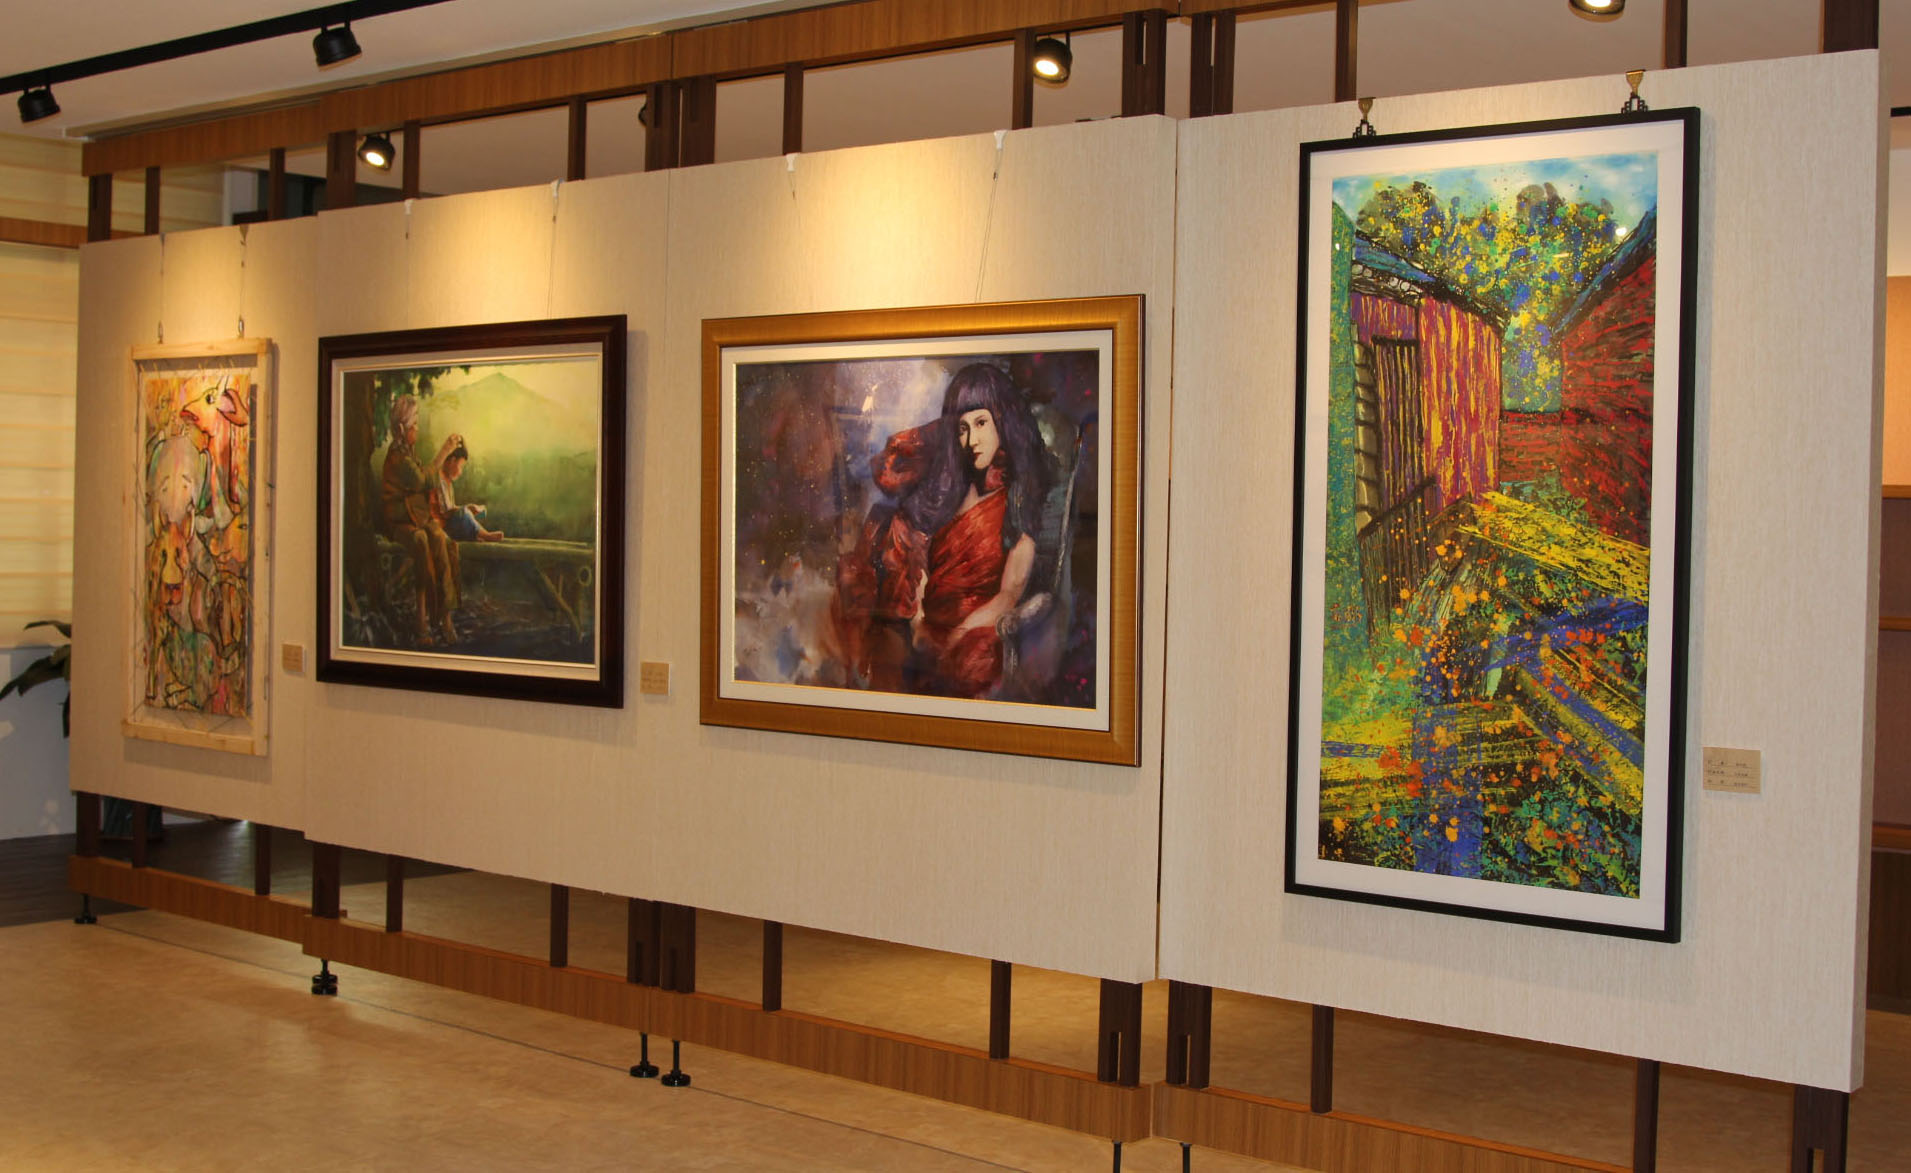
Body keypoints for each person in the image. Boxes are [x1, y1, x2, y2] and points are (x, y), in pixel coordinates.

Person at [837, 362, 1050, 698]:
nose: (971, 440)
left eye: (981, 423)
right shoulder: (954, 488)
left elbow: (1008, 595)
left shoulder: (1017, 499)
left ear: (1002, 420)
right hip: (928, 627)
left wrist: (958, 635)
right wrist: (919, 621)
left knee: (971, 663)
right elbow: (923, 563)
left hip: (976, 630)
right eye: (962, 429)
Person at [381, 395, 464, 644]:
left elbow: (423, 482)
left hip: (417, 515)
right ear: (401, 428)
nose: (417, 428)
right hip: (399, 521)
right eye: (414, 423)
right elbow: (421, 480)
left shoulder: (409, 452)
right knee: (421, 541)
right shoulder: (398, 457)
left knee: (441, 538)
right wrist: (444, 452)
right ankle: (422, 621)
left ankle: (445, 615)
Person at [434, 444, 504, 543]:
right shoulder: (439, 481)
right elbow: (445, 514)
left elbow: (450, 508)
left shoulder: (447, 482)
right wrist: (466, 508)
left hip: (450, 524)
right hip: (443, 528)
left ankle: (475, 536)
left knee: (476, 513)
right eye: (461, 466)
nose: (460, 472)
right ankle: (486, 535)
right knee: (463, 512)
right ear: (452, 461)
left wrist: (470, 508)